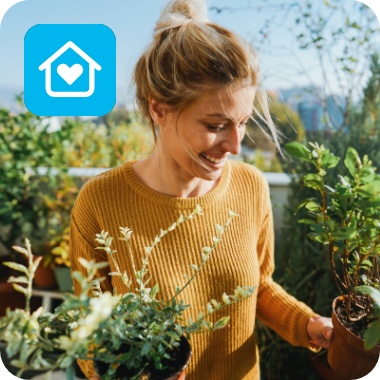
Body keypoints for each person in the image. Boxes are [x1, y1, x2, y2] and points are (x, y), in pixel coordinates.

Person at [69, 0, 333, 379]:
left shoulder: (250, 187)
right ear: (158, 110)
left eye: (241, 123)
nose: (235, 145)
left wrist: (310, 324)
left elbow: (257, 288)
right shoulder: (100, 202)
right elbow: (87, 336)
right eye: (215, 125)